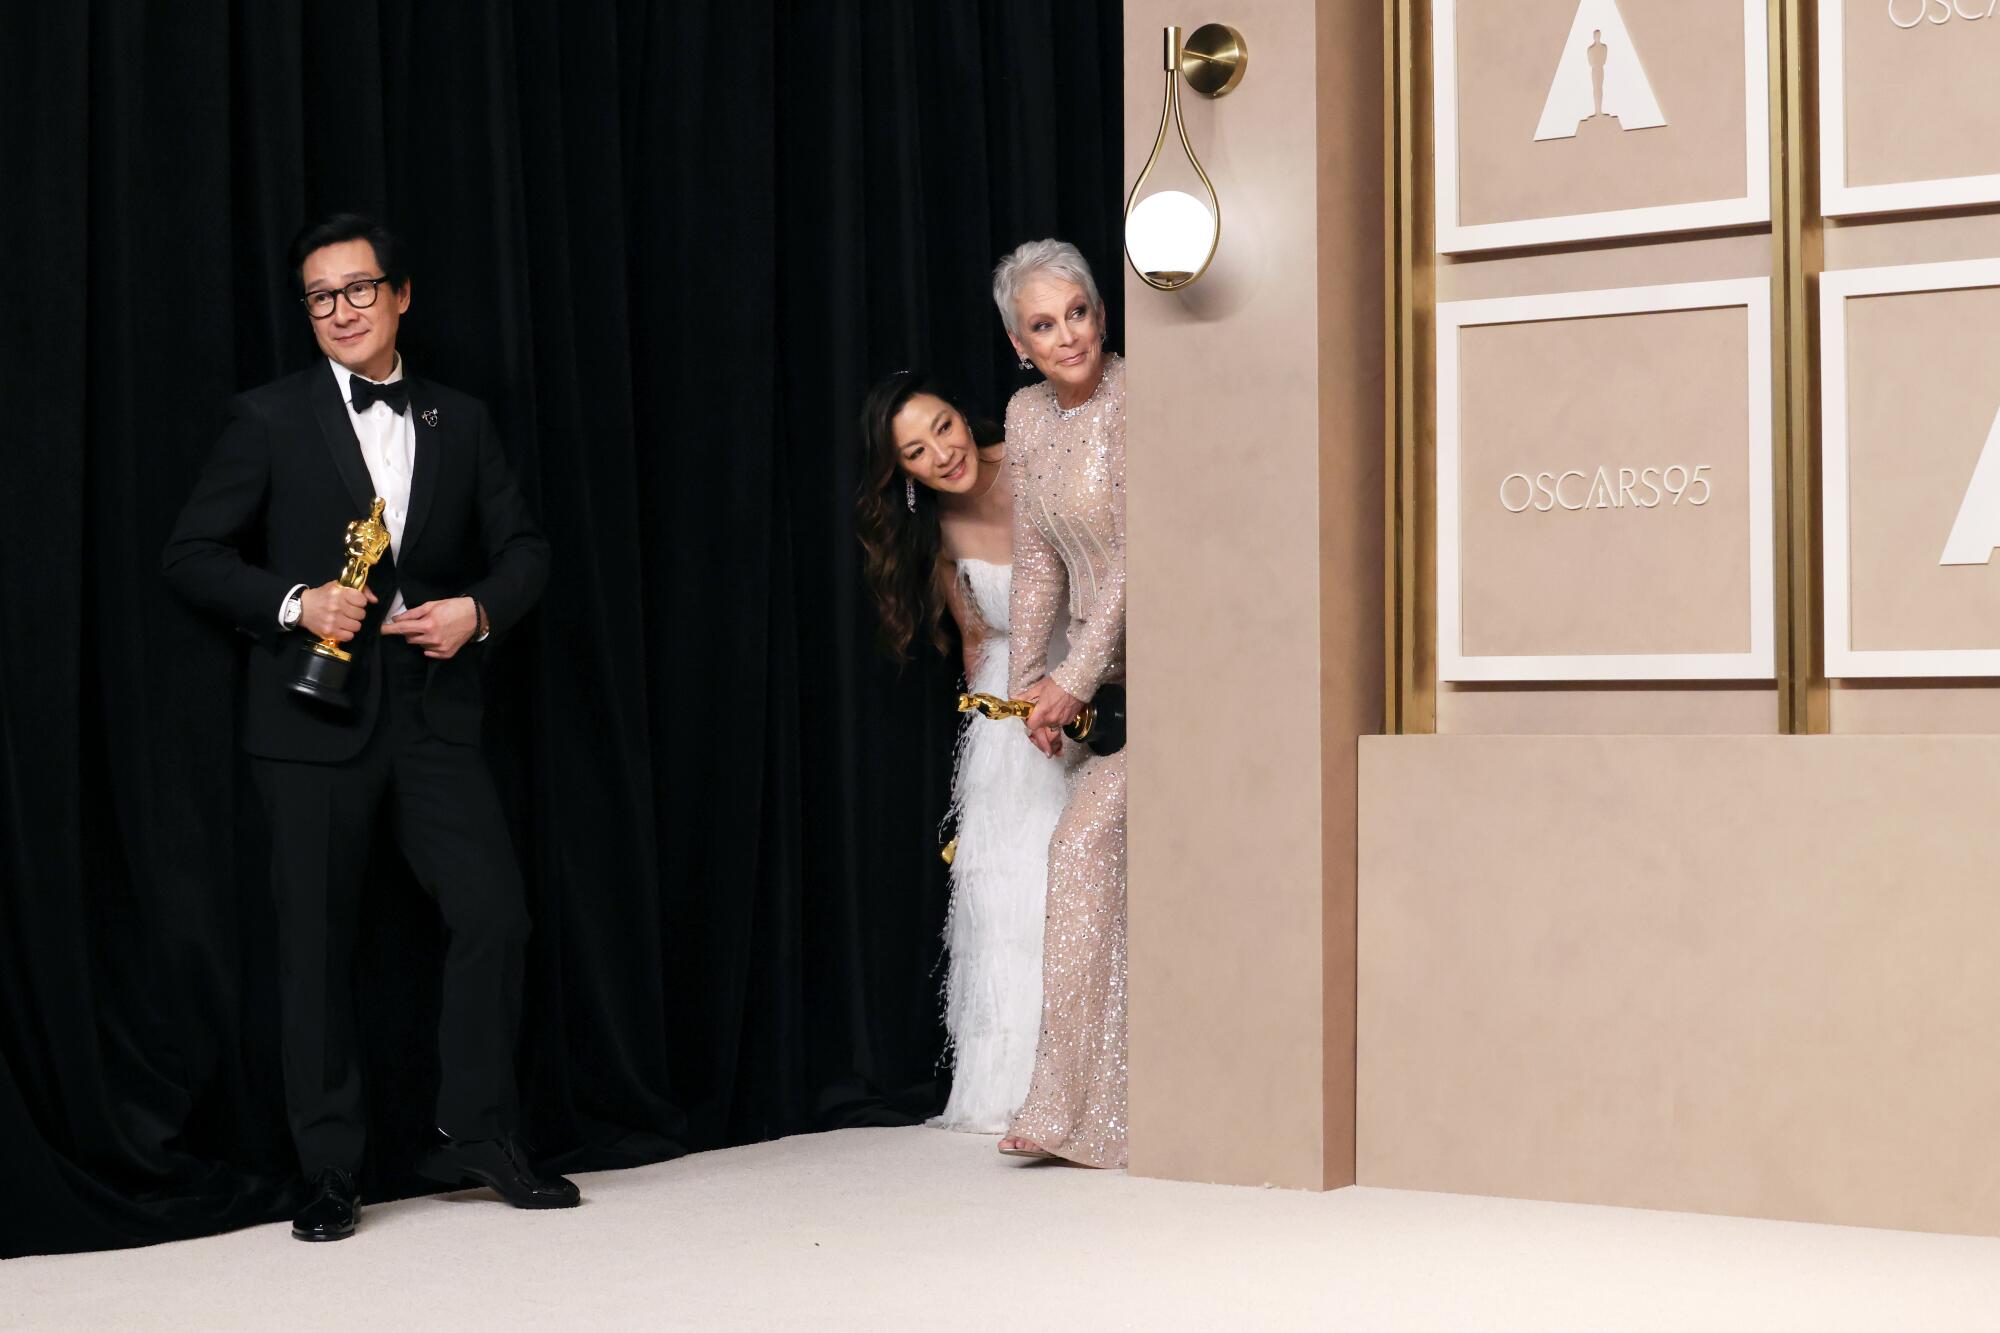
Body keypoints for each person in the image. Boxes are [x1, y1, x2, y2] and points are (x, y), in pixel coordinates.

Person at [162, 212, 576, 1241]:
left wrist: (476, 610)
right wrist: (297, 601)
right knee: (314, 948)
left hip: (433, 716)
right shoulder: (264, 418)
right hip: (308, 722)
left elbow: (524, 548)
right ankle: (328, 1169)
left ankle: (478, 1130)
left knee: (494, 915)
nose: (341, 310)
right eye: (320, 296)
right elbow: (191, 554)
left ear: (399, 295)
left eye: (358, 289)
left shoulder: (461, 421)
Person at [855, 370, 1074, 1133]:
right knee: (1009, 895)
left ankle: (1096, 1086)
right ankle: (1014, 1091)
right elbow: (978, 640)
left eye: (943, 427)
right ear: (903, 472)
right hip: (1006, 721)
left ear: (962, 414)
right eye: (915, 451)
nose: (941, 453)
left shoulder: (1038, 453)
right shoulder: (936, 533)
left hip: (1092, 694)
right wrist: (1006, 725)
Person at [988, 239, 1128, 1168]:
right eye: (1044, 324)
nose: (1067, 334)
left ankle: (1074, 1111)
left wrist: (1070, 675)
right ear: (1019, 344)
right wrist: (1024, 686)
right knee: (1101, 881)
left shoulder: (1145, 393)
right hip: (1095, 686)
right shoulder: (1026, 417)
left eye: (1076, 311)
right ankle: (1087, 1106)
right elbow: (1037, 553)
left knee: (1078, 850)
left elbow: (1146, 554)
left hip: (1181, 669)